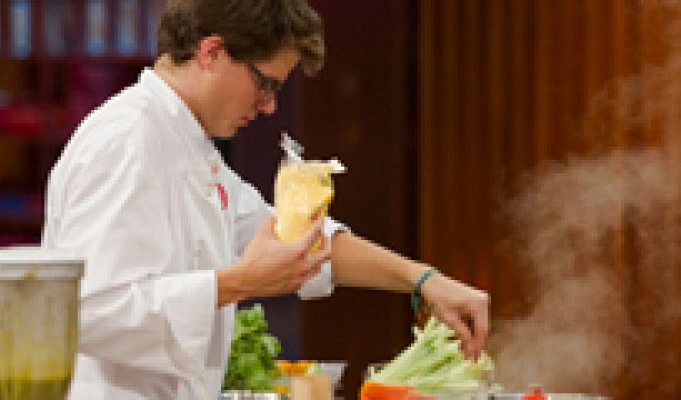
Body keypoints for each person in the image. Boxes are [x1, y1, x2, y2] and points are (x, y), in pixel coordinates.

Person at [42, 0, 490, 399]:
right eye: (266, 84)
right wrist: (242, 281)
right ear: (211, 52)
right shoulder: (126, 139)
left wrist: (424, 280)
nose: (269, 106)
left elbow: (298, 240)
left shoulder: (190, 144)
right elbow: (87, 311)